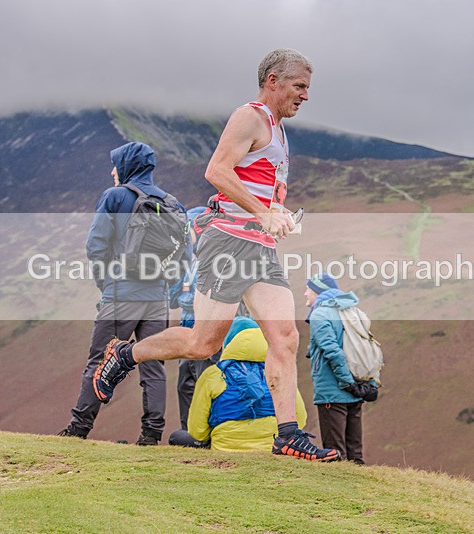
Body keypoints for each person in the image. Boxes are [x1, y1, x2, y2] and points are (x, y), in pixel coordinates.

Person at [92, 48, 340, 461]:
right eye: (300, 86)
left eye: (308, 88)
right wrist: (263, 211)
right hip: (228, 244)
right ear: (273, 80)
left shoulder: (278, 130)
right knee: (202, 343)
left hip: (259, 247)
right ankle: (124, 353)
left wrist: (276, 213)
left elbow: (254, 184)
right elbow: (217, 171)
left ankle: (287, 436)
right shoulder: (250, 117)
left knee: (286, 337)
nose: (305, 96)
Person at [58, 142, 172, 446]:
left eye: (115, 164)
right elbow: (183, 256)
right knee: (153, 364)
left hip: (121, 294)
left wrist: (107, 285)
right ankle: (151, 435)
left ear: (127, 164)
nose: (112, 171)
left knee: (99, 360)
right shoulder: (171, 202)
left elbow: (96, 246)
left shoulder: (114, 197)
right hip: (157, 299)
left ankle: (78, 430)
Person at [170, 317, 308, 451]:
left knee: (176, 436)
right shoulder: (279, 372)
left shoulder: (213, 374)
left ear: (229, 341)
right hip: (270, 445)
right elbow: (300, 419)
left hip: (225, 447)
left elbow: (197, 431)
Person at [304, 274, 378, 464]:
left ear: (318, 291)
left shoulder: (320, 314)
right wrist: (364, 384)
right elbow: (368, 348)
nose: (305, 293)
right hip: (357, 388)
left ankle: (340, 491)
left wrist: (347, 382)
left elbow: (332, 351)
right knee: (355, 452)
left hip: (333, 390)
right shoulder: (352, 311)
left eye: (308, 289)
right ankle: (364, 489)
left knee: (334, 452)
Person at [167, 206, 220, 432]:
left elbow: (193, 300)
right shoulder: (190, 262)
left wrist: (186, 297)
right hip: (188, 331)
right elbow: (173, 299)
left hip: (207, 333)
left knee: (204, 384)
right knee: (185, 385)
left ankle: (206, 435)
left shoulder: (215, 259)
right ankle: (189, 434)